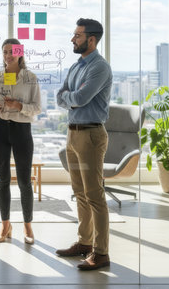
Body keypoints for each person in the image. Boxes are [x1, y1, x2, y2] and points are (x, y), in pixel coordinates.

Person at [56, 18, 112, 271]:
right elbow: (62, 97)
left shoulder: (99, 67)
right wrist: (72, 98)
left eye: (77, 35)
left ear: (91, 39)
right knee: (80, 193)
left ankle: (101, 253)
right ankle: (84, 242)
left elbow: (79, 97)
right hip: (73, 133)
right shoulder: (76, 66)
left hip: (90, 135)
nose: (72, 39)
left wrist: (71, 98)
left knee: (94, 195)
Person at [0, 38, 41, 244]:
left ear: (20, 53)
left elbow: (37, 107)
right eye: (5, 52)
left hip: (21, 130)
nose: (8, 55)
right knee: (3, 181)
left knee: (25, 181)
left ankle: (28, 226)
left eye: (12, 52)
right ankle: (5, 225)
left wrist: (19, 106)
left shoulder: (30, 78)